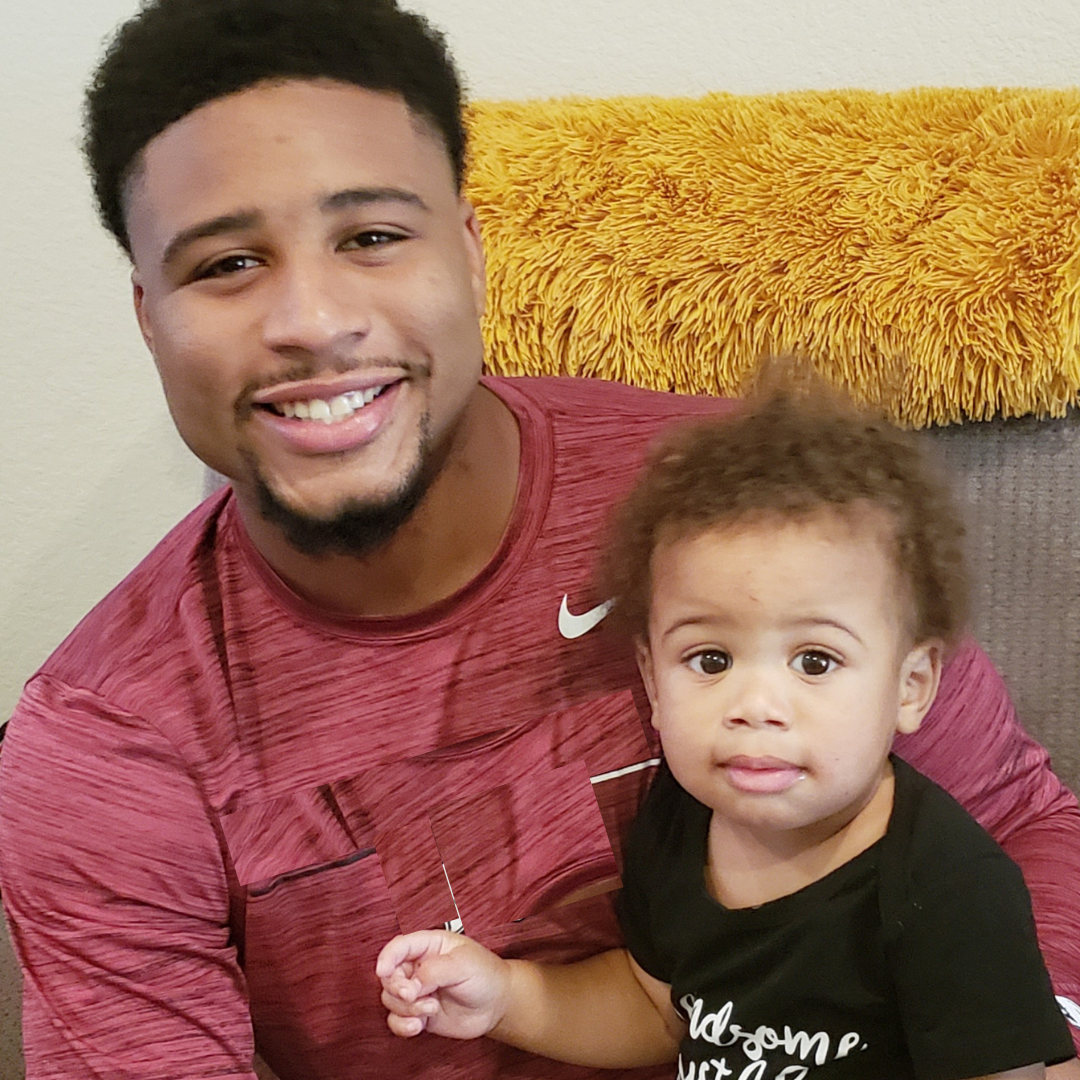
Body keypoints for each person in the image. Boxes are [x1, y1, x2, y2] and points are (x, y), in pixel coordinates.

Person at [0, 0, 1077, 1078]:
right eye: (228, 263)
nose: (314, 323)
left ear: (470, 254)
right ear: (149, 316)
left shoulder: (740, 502)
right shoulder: (105, 747)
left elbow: (1017, 819)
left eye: (372, 238)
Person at [377, 384, 1076, 1079]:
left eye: (815, 661)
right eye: (711, 660)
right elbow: (657, 1012)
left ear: (911, 687)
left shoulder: (948, 891)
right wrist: (505, 999)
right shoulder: (677, 824)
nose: (755, 705)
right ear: (653, 683)